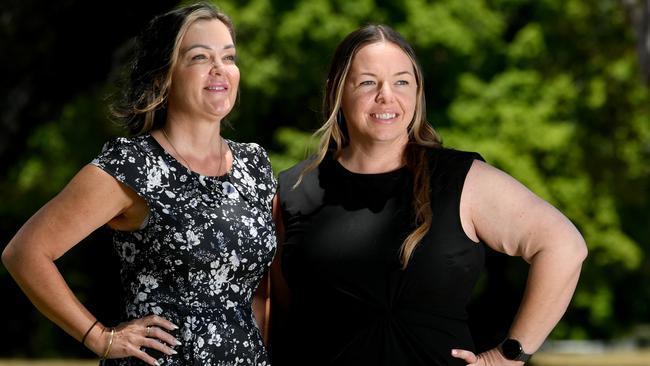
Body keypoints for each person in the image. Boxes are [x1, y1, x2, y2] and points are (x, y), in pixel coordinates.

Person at [270, 24, 587, 366]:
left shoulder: (461, 180)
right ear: (336, 91)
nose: (386, 96)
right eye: (367, 82)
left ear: (417, 92)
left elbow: (565, 247)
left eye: (401, 81)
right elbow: (280, 313)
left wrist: (506, 356)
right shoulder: (292, 190)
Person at [2, 3, 276, 366]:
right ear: (164, 75)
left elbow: (264, 288)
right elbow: (25, 253)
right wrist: (99, 337)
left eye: (228, 57)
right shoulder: (134, 165)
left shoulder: (254, 164)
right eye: (199, 57)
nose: (219, 69)